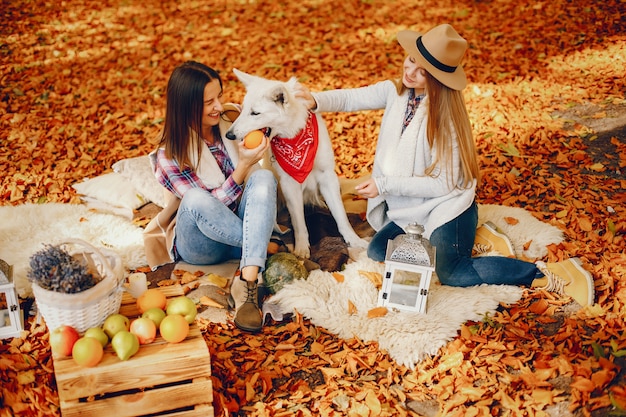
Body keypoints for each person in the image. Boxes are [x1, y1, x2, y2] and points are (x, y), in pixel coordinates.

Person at [296, 24, 594, 307]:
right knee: (377, 251)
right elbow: (351, 98)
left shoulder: (445, 120)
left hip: (445, 206)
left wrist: (384, 185)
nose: (409, 72)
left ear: (437, 79)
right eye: (410, 61)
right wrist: (314, 100)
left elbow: (443, 184)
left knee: (453, 272)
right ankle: (476, 241)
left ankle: (540, 275)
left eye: (421, 72)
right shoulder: (395, 92)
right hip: (408, 210)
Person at [143, 61, 278, 332]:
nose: (219, 106)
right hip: (201, 243)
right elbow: (209, 208)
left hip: (239, 231)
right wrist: (242, 166)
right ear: (187, 107)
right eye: (209, 102)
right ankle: (265, 247)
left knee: (263, 177)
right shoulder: (169, 154)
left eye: (220, 96)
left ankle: (249, 285)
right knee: (194, 198)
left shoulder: (232, 121)